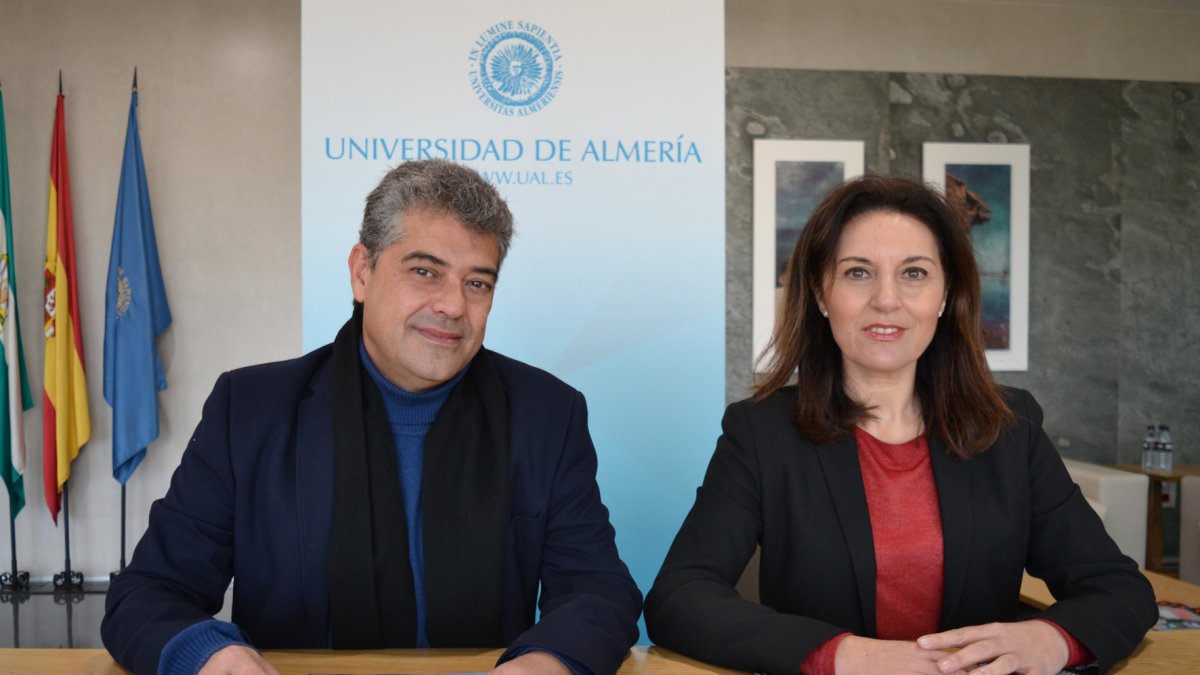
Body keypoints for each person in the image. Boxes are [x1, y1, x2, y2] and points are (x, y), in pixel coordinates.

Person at [102, 160, 642, 675]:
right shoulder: (249, 408)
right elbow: (148, 592)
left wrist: (548, 662)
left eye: (477, 282)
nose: (454, 306)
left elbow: (597, 587)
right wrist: (205, 656)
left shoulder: (546, 412)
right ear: (363, 273)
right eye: (425, 271)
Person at [644, 175, 1156, 675]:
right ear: (822, 294)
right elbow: (679, 597)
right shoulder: (761, 431)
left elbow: (1117, 588)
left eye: (914, 273)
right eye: (857, 272)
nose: (886, 299)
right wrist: (845, 656)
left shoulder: (1010, 426)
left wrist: (1049, 640)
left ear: (944, 293)